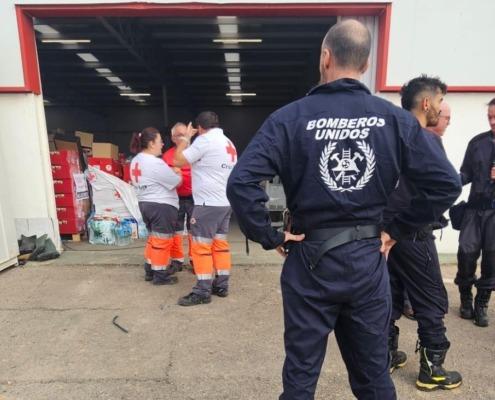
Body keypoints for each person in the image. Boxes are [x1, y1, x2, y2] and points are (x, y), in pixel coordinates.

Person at [227, 20, 461, 400]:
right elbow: (446, 184)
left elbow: (240, 182)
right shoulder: (395, 120)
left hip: (309, 261)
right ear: (366, 65)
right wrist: (396, 229)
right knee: (372, 378)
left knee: (301, 378)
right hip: (368, 262)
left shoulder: (289, 119)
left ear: (325, 57)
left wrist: (270, 236)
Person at [384, 78, 462, 391]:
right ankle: (433, 370)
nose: (442, 110)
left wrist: (388, 230)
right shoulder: (423, 139)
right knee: (431, 299)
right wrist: (403, 228)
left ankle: (386, 355)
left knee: (389, 296)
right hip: (412, 234)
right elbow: (448, 187)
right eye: (441, 103)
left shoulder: (389, 136)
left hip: (385, 235)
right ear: (426, 103)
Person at [174, 111, 237, 306]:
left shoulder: (204, 141)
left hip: (207, 204)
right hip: (225, 203)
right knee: (220, 245)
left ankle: (202, 291)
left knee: (201, 246)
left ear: (199, 127)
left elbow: (177, 160)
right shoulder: (228, 143)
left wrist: (185, 139)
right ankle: (221, 284)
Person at [456, 98, 495, 327]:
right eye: (489, 117)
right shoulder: (477, 143)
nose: (492, 121)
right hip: (473, 209)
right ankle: (465, 298)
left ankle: (482, 303)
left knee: (492, 258)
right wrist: (447, 183)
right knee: (466, 253)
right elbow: (465, 174)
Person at [130, 127, 181, 285]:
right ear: (152, 143)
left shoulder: (136, 160)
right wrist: (177, 172)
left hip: (145, 204)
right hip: (161, 206)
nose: (162, 144)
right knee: (162, 242)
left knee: (153, 239)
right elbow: (175, 182)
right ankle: (160, 275)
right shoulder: (155, 162)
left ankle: (150, 269)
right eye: (160, 141)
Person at [162, 122, 194, 272]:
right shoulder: (167, 156)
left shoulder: (197, 153)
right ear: (173, 138)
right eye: (179, 135)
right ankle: (177, 260)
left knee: (195, 230)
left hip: (196, 198)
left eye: (184, 134)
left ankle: (195, 259)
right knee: (176, 230)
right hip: (175, 198)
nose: (182, 138)